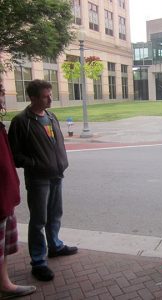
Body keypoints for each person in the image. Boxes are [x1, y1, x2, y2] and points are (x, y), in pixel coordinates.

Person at [8, 80, 78, 282]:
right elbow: (15, 154)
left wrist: (60, 162)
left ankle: (55, 246)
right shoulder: (22, 121)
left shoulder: (50, 116)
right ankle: (38, 262)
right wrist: (36, 163)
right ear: (33, 98)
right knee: (39, 220)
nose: (50, 98)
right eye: (46, 96)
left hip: (57, 174)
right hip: (38, 178)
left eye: (50, 94)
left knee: (55, 214)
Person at [0, 81, 36, 298]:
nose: (2, 97)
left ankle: (4, 282)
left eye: (2, 92)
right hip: (1, 200)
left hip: (6, 198)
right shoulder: (21, 121)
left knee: (3, 249)